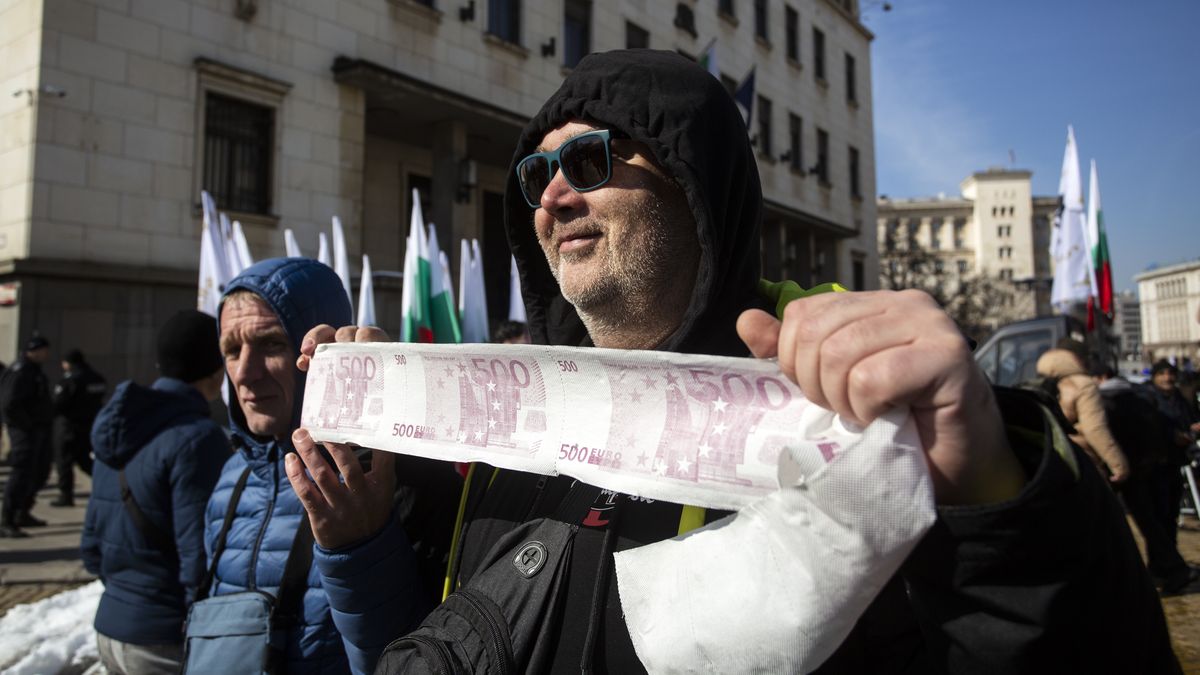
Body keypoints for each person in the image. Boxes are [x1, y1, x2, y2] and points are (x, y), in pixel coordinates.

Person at [289, 50, 1177, 673]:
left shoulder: (850, 416)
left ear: (694, 182)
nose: (552, 195)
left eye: (590, 159)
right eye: (535, 176)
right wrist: (370, 525)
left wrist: (997, 490)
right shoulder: (504, 440)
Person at [207, 258, 459, 674]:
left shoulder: (393, 477)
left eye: (271, 344)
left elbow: (418, 656)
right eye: (232, 351)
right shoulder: (231, 475)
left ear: (318, 354)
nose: (245, 374)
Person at [80, 310, 230, 674]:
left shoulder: (120, 427)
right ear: (215, 370)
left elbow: (91, 545)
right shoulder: (197, 437)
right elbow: (199, 556)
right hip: (162, 637)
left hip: (110, 625)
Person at [1094, 364, 1195, 593]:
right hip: (1146, 466)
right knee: (1153, 521)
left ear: (1100, 377)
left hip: (1118, 468)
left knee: (1120, 523)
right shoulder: (1139, 395)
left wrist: (1116, 463)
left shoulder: (1100, 397)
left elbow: (1096, 431)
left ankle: (1158, 571)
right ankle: (1168, 569)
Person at [1034, 343, 1130, 483]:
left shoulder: (1036, 384)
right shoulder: (1083, 384)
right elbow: (1094, 429)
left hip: (1050, 458)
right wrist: (1118, 465)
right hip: (1082, 458)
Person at [0, 334, 55, 537]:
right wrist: (27, 426)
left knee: (39, 472)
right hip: (25, 431)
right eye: (44, 350)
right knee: (21, 473)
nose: (47, 354)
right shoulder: (21, 370)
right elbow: (9, 404)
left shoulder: (33, 370)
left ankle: (23, 512)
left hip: (37, 429)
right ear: (34, 350)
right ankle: (7, 519)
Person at [51, 349, 106, 507]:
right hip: (88, 425)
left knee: (64, 461)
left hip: (69, 427)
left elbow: (58, 404)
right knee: (85, 461)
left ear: (68, 363)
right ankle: (106, 483)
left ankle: (66, 495)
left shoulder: (70, 380)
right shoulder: (97, 378)